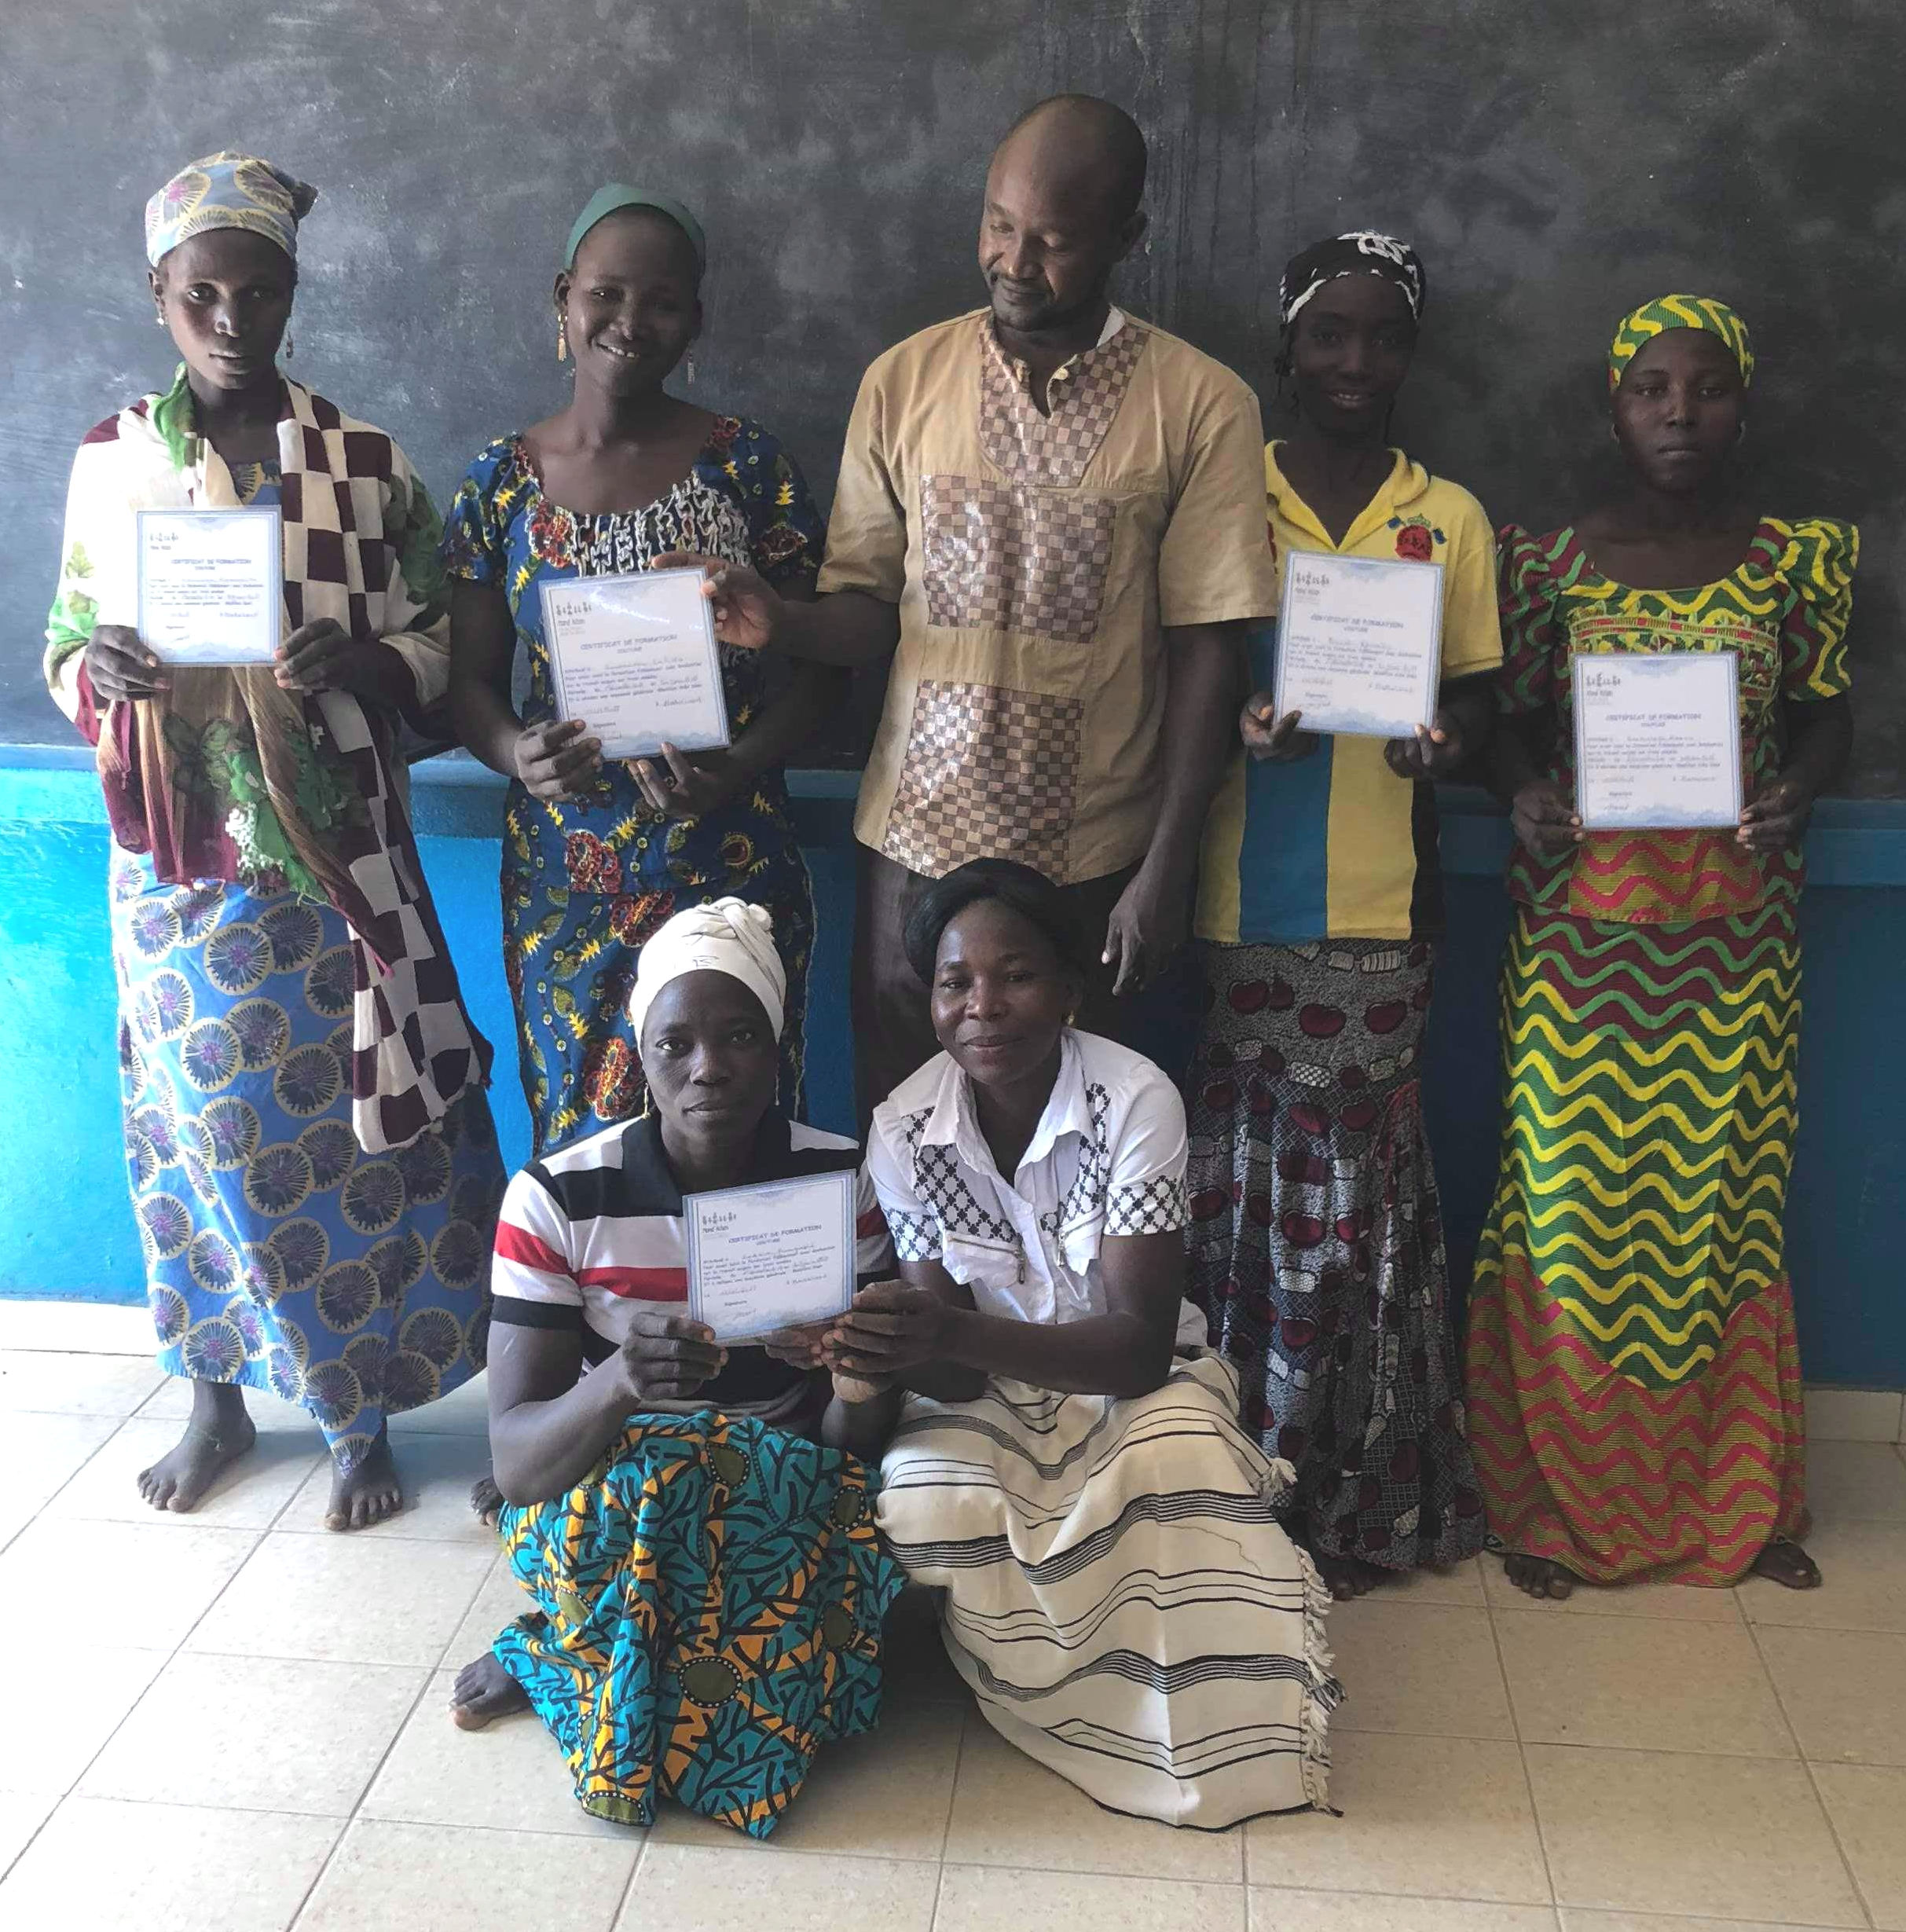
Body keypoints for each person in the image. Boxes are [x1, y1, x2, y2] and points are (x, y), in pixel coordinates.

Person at [43, 152, 504, 1529]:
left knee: (360, 1129)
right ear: (159, 296)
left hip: (336, 862)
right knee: (192, 1132)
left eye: (259, 292)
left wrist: (368, 659)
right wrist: (97, 670)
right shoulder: (113, 458)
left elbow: (442, 636)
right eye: (202, 296)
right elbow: (66, 637)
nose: (232, 320)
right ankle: (217, 1397)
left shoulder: (365, 463)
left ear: (294, 291)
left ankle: (357, 1407)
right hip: (177, 865)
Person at [662, 96, 1278, 1117]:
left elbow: (1208, 651)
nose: (1013, 261)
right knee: (907, 1136)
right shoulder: (904, 382)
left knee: (1084, 1150)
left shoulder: (1201, 403)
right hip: (914, 852)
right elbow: (866, 607)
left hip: (1095, 862)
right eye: (998, 224)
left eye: (1053, 241)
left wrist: (1166, 869)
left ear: (1126, 237)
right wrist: (786, 620)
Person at [807, 860, 1338, 1828]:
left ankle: (1188, 1721)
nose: (982, 1005)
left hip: (1136, 1377)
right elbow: (954, 1373)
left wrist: (949, 1328)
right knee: (923, 1499)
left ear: (1067, 991)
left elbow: (1136, 1350)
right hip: (987, 1387)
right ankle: (1036, 1688)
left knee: (1178, 1461)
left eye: (1015, 975)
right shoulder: (904, 1127)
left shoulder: (1132, 1098)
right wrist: (876, 1341)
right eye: (954, 982)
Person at [1466, 295, 1856, 1597]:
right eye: (1650, 388)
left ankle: (1733, 1498)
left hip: (1735, 951)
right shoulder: (1547, 566)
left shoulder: (1795, 559)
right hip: (1580, 948)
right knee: (1572, 1217)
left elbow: (1824, 713)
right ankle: (1547, 1505)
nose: (1679, 412)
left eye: (1707, 388)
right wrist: (1521, 789)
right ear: (1614, 406)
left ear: (1742, 403)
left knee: (1717, 1216)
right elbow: (1504, 720)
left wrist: (1799, 788)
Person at [444, 900, 904, 1835]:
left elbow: (851, 1446)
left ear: (776, 1045)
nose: (708, 1067)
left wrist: (853, 1371)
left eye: (740, 1035)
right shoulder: (555, 1196)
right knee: (675, 1518)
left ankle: (578, 1655)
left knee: (771, 1537)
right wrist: (620, 1380)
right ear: (639, 1052)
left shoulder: (838, 1180)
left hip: (780, 1476)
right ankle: (580, 1649)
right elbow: (520, 1466)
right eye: (675, 1042)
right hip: (613, 1486)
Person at [1184, 233, 1499, 1598]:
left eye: (1381, 336)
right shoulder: (1223, 491)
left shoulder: (1449, 517)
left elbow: (1476, 690)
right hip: (1237, 900)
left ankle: (1358, 1489)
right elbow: (1177, 674)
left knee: (1358, 1210)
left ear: (1409, 353)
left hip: (1385, 912)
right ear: (1287, 347)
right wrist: (1243, 725)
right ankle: (1237, 1478)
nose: (1354, 360)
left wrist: (1447, 741)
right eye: (1329, 333)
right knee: (1250, 1197)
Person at [442, 185, 837, 1155]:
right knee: (584, 1145)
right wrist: (515, 751)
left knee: (732, 1136)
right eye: (606, 294)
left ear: (693, 320)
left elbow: (822, 672)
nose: (630, 321)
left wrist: (737, 766)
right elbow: (466, 682)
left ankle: (741, 1272)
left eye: (661, 302)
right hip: (564, 878)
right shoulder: (499, 483)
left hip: (729, 859)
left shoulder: (749, 468)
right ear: (563, 298)